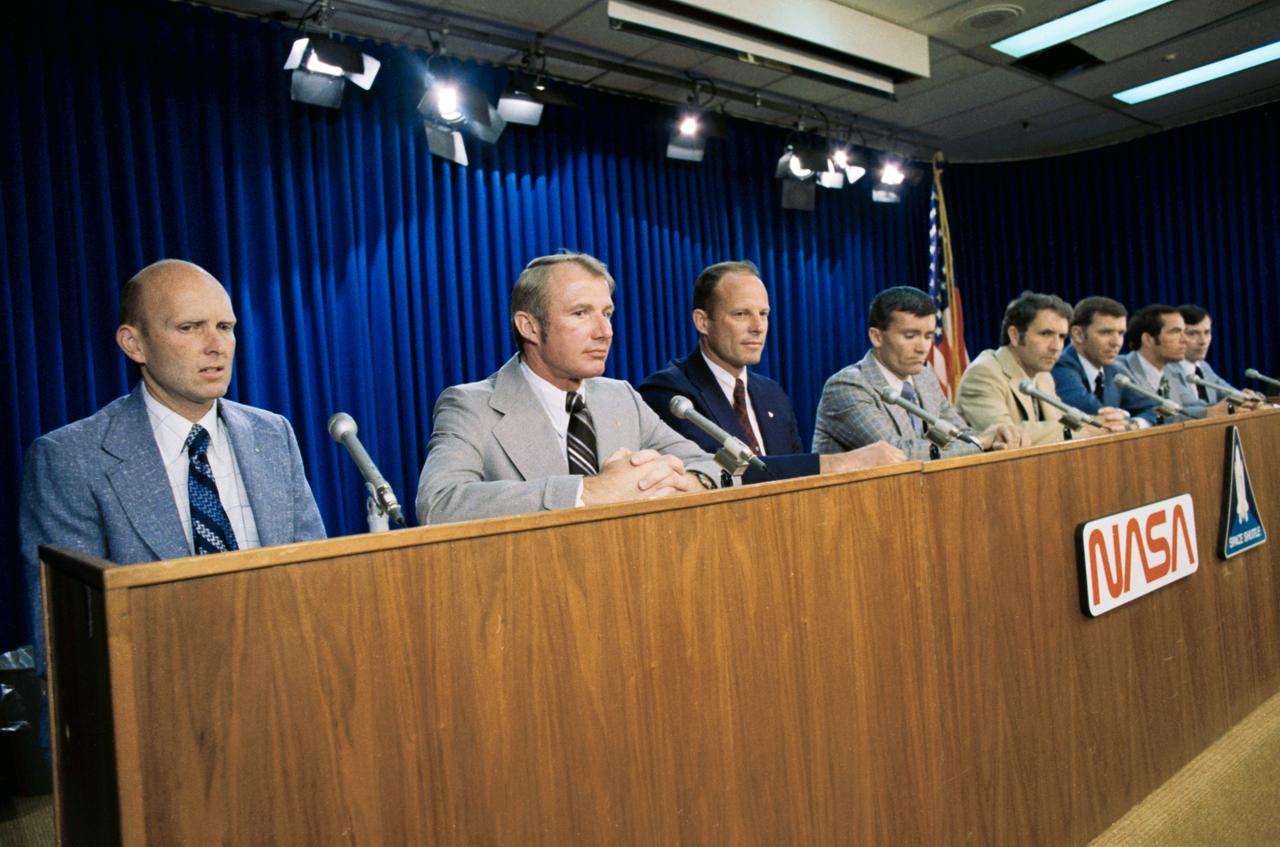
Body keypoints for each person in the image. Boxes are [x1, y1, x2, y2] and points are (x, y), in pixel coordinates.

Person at [416, 253, 720, 525]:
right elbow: (439, 503)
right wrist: (591, 492)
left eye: (607, 313)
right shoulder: (471, 406)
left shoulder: (621, 398)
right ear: (530, 327)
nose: (605, 332)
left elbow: (710, 465)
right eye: (580, 313)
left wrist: (683, 485)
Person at [638, 261, 905, 483]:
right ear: (703, 322)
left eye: (763, 314)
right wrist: (844, 462)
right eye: (741, 314)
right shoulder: (670, 394)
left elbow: (798, 481)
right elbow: (724, 473)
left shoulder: (771, 393)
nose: (758, 327)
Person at [812, 286, 1025, 460]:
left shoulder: (924, 378)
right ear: (877, 337)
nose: (923, 347)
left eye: (928, 336)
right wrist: (981, 442)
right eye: (910, 335)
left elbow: (960, 434)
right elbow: (897, 454)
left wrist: (991, 438)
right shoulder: (847, 387)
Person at [957, 292, 1126, 443]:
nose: (1056, 346)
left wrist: (1100, 421)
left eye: (1061, 337)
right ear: (1014, 336)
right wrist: (1090, 428)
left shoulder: (1042, 375)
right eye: (1046, 334)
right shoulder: (983, 373)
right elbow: (1007, 436)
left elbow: (1060, 424)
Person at [1052, 296, 1160, 428]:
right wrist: (1126, 419)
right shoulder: (1060, 367)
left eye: (1120, 333)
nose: (1116, 343)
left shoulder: (1113, 371)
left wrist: (1134, 425)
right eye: (1106, 332)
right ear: (1078, 334)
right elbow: (1097, 418)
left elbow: (1158, 409)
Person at [1114, 304, 1228, 419]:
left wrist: (1229, 406)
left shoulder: (1170, 371)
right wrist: (1207, 413)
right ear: (1148, 339)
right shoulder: (1119, 370)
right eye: (1176, 332)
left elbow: (1191, 405)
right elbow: (1157, 411)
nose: (1184, 340)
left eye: (1184, 332)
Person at [1177, 304, 1262, 409]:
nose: (1203, 341)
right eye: (1193, 334)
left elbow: (1228, 392)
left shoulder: (1203, 367)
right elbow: (1181, 412)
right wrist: (1213, 411)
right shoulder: (1166, 370)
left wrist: (1245, 398)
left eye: (1207, 332)